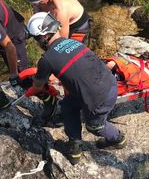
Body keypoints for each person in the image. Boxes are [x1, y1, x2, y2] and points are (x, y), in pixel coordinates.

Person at [26, 12, 126, 165]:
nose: (36, 42)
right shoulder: (75, 43)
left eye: (35, 38)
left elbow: (38, 85)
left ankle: (118, 138)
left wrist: (36, 77)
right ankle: (75, 143)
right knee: (67, 105)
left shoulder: (46, 60)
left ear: (43, 37)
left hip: (99, 97)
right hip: (108, 83)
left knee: (95, 126)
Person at [24, 0, 90, 44]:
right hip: (63, 17)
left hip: (78, 26)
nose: (35, 6)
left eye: (38, 2)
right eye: (33, 3)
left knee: (70, 51)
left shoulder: (60, 10)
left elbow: (62, 43)